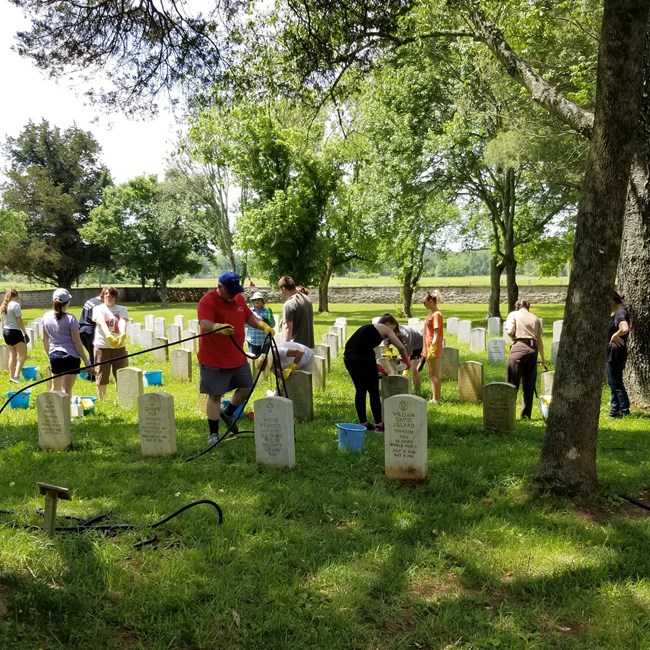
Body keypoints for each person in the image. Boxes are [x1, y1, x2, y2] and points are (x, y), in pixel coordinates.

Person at [198, 272, 274, 444]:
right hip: (213, 358)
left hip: (237, 356)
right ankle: (213, 434)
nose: (233, 295)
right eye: (230, 291)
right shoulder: (207, 301)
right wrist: (217, 326)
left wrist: (262, 325)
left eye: (236, 291)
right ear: (220, 287)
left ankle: (228, 412)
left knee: (246, 388)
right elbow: (204, 323)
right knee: (215, 396)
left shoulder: (238, 299)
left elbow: (248, 317)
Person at [343, 314, 409, 433]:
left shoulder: (371, 328)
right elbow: (401, 348)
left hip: (349, 357)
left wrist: (375, 366)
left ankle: (364, 423)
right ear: (389, 324)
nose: (393, 331)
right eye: (394, 328)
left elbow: (361, 346)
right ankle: (379, 425)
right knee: (373, 390)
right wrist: (406, 362)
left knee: (360, 389)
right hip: (363, 357)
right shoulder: (386, 329)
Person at [42, 288, 89, 395]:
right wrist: (86, 360)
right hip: (71, 357)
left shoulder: (46, 316)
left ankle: (57, 412)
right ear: (67, 303)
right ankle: (66, 411)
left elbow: (44, 339)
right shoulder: (71, 319)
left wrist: (50, 355)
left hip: (55, 355)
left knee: (56, 389)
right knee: (67, 391)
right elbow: (76, 342)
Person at [505, 298, 546, 419]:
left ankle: (508, 413)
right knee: (529, 384)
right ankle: (526, 415)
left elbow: (509, 331)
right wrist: (542, 359)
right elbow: (539, 340)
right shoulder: (535, 318)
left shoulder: (513, 314)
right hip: (533, 350)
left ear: (517, 306)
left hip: (519, 346)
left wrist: (513, 337)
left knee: (512, 382)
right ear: (528, 307)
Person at [92, 286, 128, 399]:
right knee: (102, 375)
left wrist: (122, 334)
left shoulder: (122, 309)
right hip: (102, 347)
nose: (108, 296)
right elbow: (101, 322)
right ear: (103, 296)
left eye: (111, 294)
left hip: (119, 347)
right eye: (106, 294)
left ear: (115, 297)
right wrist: (108, 334)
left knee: (121, 374)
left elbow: (122, 321)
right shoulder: (98, 309)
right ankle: (102, 400)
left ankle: (122, 399)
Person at [607, 291, 630, 418]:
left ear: (613, 301)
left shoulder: (620, 313)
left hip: (615, 353)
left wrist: (615, 335)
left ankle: (624, 408)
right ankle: (614, 411)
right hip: (616, 352)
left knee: (616, 383)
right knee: (613, 382)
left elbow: (625, 328)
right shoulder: (619, 312)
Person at [1, 288, 29, 383]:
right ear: (15, 295)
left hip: (6, 332)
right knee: (23, 355)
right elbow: (19, 321)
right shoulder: (15, 305)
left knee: (12, 355)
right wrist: (25, 333)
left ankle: (11, 377)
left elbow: (2, 321)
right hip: (14, 332)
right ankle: (16, 376)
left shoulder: (4, 305)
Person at [278, 276, 314, 348]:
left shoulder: (289, 304)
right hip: (308, 346)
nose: (281, 293)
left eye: (280, 290)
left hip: (296, 348)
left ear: (284, 289)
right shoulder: (307, 299)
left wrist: (284, 349)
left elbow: (288, 328)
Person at [422, 291, 443, 404]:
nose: (423, 304)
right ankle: (434, 397)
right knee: (430, 373)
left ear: (431, 301)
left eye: (424, 302)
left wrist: (433, 348)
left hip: (433, 348)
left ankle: (436, 399)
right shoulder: (431, 313)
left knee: (435, 374)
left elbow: (436, 333)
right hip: (427, 347)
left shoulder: (436, 315)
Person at [78, 292, 102, 382]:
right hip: (90, 330)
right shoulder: (99, 305)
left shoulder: (91, 301)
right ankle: (93, 377)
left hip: (82, 329)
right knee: (94, 355)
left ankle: (89, 375)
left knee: (91, 353)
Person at [245, 291, 275, 355]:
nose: (257, 301)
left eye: (259, 299)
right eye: (255, 299)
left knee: (265, 360)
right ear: (252, 301)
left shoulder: (267, 311)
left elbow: (272, 325)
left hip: (265, 340)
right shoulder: (249, 311)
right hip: (253, 340)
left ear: (262, 301)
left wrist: (269, 320)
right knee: (254, 359)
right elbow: (245, 324)